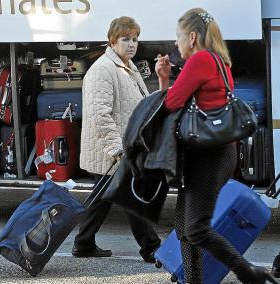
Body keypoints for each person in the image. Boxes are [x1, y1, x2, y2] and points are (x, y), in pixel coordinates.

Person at [155, 8, 278, 284]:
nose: (176, 43)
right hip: (208, 153)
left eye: (179, 37)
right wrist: (166, 80)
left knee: (195, 229)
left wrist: (164, 82)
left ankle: (248, 273)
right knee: (183, 228)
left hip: (210, 155)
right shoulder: (219, 60)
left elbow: (171, 104)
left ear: (193, 37)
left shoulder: (200, 60)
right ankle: (193, 281)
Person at [71, 16, 161, 262]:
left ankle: (83, 243)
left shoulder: (126, 66)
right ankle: (151, 248)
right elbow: (100, 115)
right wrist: (117, 150)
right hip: (112, 149)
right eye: (126, 39)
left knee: (101, 198)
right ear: (112, 40)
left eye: (135, 39)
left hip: (123, 146)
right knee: (132, 197)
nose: (132, 44)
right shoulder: (103, 70)